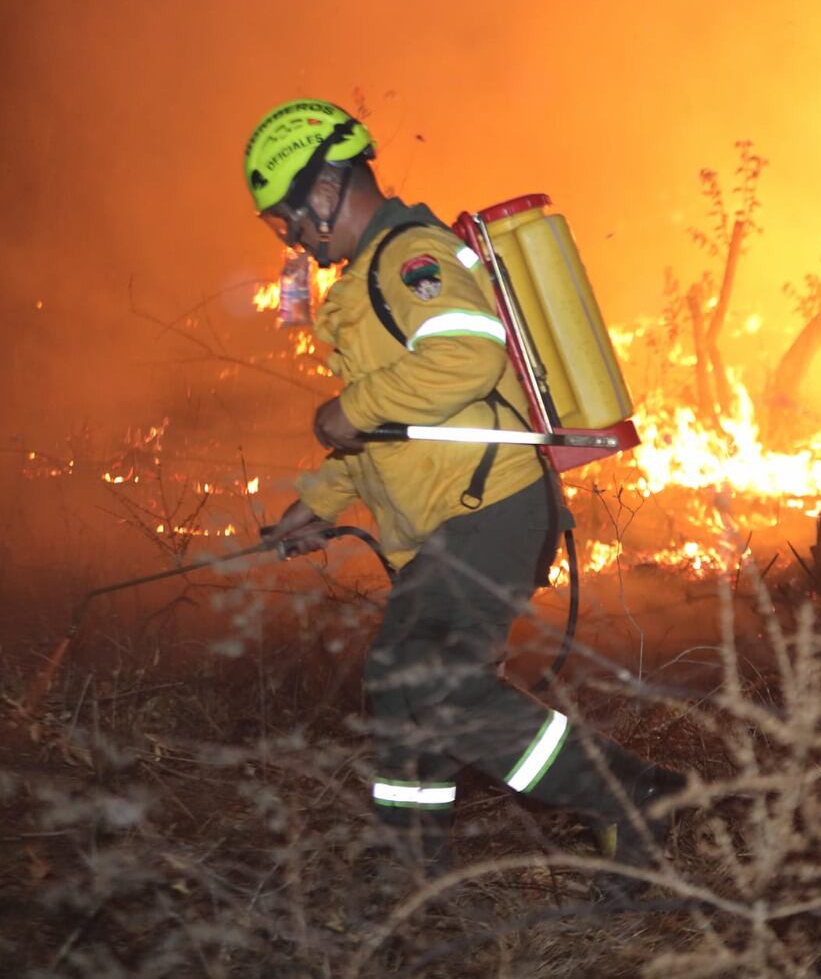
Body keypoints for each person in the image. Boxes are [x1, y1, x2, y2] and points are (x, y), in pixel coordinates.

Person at [244, 98, 681, 882]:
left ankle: (624, 791)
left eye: (289, 218)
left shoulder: (410, 257)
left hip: (491, 506)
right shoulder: (361, 286)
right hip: (447, 520)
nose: (294, 240)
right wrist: (320, 500)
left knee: (428, 679)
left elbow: (465, 361)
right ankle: (411, 873)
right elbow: (388, 428)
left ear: (327, 185)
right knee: (401, 682)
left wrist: (351, 408)